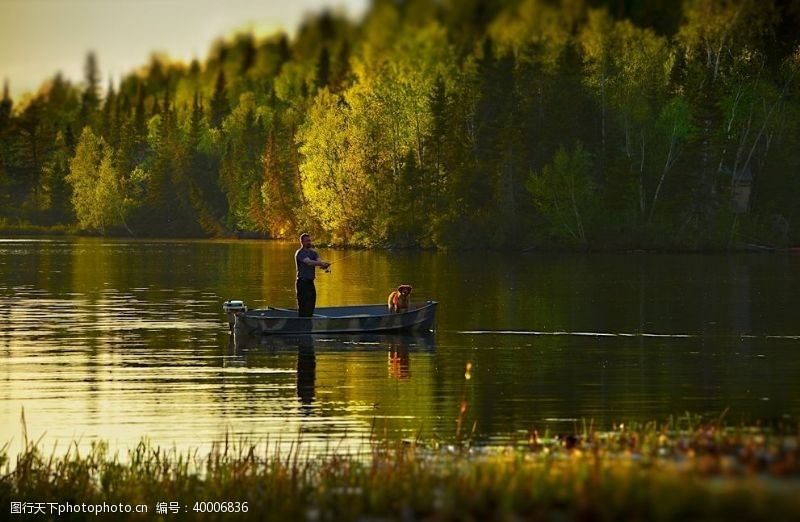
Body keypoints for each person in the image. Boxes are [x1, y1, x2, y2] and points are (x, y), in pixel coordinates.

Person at [295, 233, 330, 317]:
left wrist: (324, 266)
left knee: (311, 305)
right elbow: (309, 262)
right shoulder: (300, 253)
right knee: (304, 306)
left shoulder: (313, 253)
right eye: (307, 241)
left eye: (309, 240)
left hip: (310, 283)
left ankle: (309, 324)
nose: (309, 242)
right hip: (302, 283)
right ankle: (302, 325)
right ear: (302, 242)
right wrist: (321, 263)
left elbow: (318, 261)